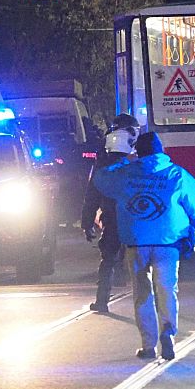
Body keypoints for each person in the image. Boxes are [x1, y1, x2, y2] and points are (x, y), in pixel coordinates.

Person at [94, 131, 195, 360]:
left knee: (142, 294)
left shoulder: (126, 174)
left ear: (138, 151)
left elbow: (100, 180)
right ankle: (168, 331)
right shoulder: (176, 174)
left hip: (136, 243)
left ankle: (148, 346)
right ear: (161, 151)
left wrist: (121, 160)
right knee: (167, 290)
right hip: (168, 243)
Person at [81, 113, 139, 313]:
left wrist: (87, 222)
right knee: (142, 259)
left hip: (114, 215)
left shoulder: (105, 159)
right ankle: (152, 302)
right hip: (137, 217)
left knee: (109, 258)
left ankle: (102, 300)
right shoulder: (142, 156)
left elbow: (93, 191)